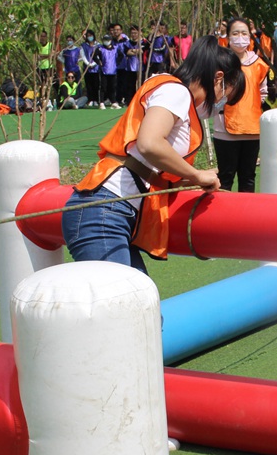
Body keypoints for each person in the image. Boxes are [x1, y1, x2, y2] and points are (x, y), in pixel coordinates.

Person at [61, 36, 245, 273]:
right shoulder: (176, 92)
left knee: (141, 297)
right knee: (125, 297)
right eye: (226, 96)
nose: (221, 103)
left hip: (115, 212)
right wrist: (196, 175)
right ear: (218, 78)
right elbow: (149, 144)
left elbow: (148, 166)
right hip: (105, 211)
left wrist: (190, 179)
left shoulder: (176, 94)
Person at [212, 18, 270, 192]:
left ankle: (247, 210)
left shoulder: (259, 64)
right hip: (225, 130)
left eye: (244, 33)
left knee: (248, 178)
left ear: (250, 36)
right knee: (225, 178)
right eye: (235, 33)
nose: (240, 37)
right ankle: (222, 210)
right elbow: (212, 95)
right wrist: (223, 104)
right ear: (228, 37)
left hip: (252, 130)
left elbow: (263, 93)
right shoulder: (218, 62)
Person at [118, 25, 145, 106]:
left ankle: (141, 101)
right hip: (130, 68)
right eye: (132, 33)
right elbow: (127, 52)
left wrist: (133, 50)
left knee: (141, 85)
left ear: (140, 33)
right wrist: (136, 51)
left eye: (135, 33)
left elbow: (142, 51)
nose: (134, 35)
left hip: (141, 67)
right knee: (130, 86)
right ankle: (130, 102)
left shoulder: (143, 42)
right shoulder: (127, 43)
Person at [97, 32, 121, 108]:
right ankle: (101, 102)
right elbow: (93, 55)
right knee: (103, 87)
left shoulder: (115, 48)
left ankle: (113, 101)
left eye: (107, 40)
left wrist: (117, 63)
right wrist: (99, 62)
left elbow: (121, 55)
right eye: (104, 40)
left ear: (110, 40)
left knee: (112, 87)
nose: (106, 41)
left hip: (113, 70)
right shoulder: (100, 48)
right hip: (104, 70)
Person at [81, 29, 101, 106]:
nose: (90, 37)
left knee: (96, 84)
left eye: (91, 35)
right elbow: (83, 56)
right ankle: (90, 100)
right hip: (87, 68)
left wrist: (94, 63)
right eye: (88, 36)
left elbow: (99, 56)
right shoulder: (83, 45)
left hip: (96, 68)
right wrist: (88, 64)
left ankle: (96, 100)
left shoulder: (98, 45)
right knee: (89, 85)